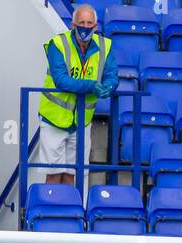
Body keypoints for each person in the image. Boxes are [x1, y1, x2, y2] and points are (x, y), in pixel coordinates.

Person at [37, 4, 117, 186]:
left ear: (96, 27)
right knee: (54, 174)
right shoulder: (57, 44)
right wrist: (91, 86)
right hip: (54, 120)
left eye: (90, 23)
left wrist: (109, 86)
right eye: (81, 22)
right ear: (73, 25)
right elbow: (61, 80)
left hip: (82, 121)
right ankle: (52, 214)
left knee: (72, 175)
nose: (85, 27)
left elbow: (112, 74)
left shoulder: (106, 46)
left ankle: (68, 214)